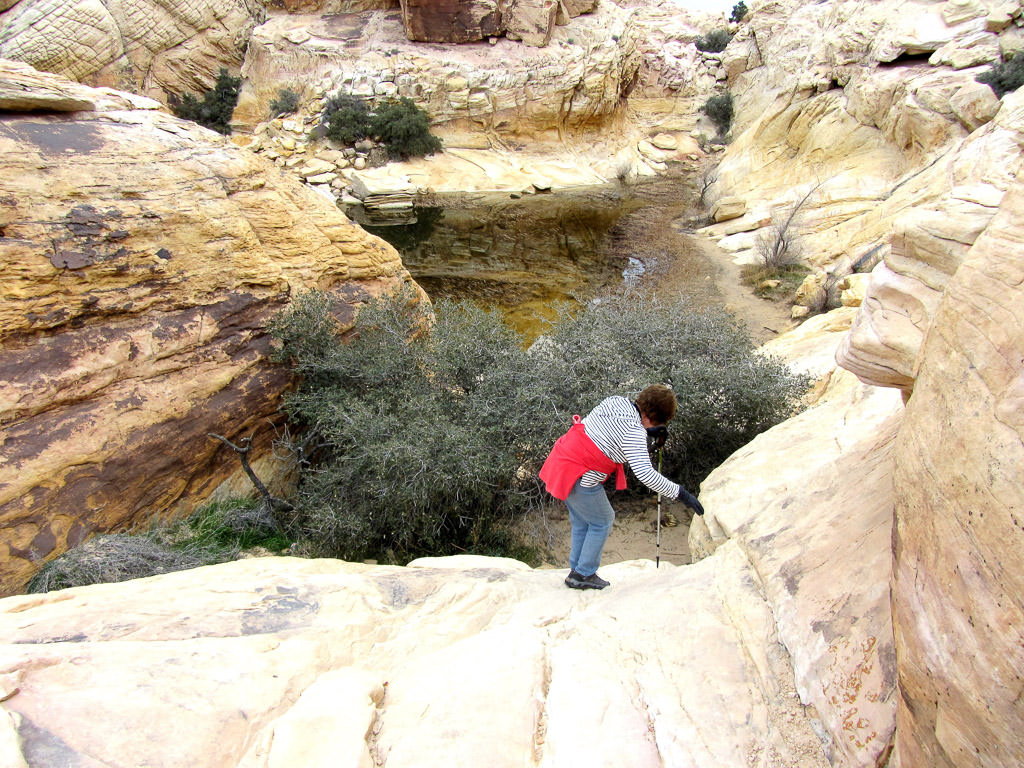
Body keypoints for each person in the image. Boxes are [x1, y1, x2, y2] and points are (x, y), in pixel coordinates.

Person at [539, 384, 705, 590]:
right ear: (653, 417)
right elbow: (645, 473)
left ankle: (577, 570)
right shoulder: (634, 432)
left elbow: (610, 436)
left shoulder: (615, 401)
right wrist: (681, 494)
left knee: (583, 522)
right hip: (581, 475)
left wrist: (649, 437)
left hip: (563, 463)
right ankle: (584, 574)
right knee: (603, 520)